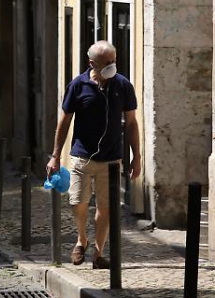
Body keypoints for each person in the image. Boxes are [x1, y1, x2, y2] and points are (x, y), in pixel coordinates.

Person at [46, 40, 141, 269]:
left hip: (111, 159)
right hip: (82, 156)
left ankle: (98, 253)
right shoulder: (78, 85)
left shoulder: (123, 85)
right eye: (106, 63)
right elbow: (65, 121)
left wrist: (136, 156)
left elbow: (131, 123)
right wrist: (55, 156)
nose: (111, 66)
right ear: (92, 63)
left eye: (113, 61)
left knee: (106, 208)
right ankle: (81, 239)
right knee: (77, 202)